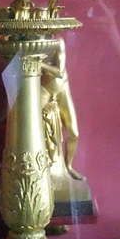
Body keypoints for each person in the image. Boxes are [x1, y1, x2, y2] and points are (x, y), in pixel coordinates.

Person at [40, 37, 83, 181]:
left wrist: (37, 63)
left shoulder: (58, 41)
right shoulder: (29, 42)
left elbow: (59, 72)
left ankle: (69, 166)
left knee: (74, 133)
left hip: (62, 88)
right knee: (30, 125)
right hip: (44, 90)